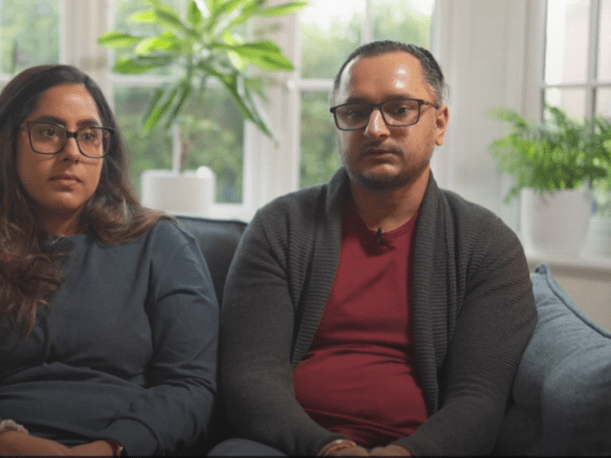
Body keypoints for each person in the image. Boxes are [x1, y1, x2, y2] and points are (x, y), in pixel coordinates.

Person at [212, 40, 538, 456]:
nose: (375, 128)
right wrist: (329, 448)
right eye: (355, 111)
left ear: (439, 123)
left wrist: (406, 453)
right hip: (291, 446)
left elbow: (478, 399)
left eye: (400, 109)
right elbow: (251, 377)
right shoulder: (279, 228)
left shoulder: (487, 245)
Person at [0, 65, 219, 456]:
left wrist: (111, 448)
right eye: (49, 132)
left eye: (89, 136)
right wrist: (6, 444)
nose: (72, 153)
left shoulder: (163, 245)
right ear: (7, 142)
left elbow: (189, 385)